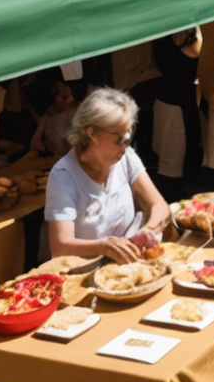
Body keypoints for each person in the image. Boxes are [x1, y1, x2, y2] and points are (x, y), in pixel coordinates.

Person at [44, 88, 171, 262]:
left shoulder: (126, 157)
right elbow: (60, 247)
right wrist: (104, 247)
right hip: (84, 272)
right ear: (92, 133)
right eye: (119, 140)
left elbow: (159, 205)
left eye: (128, 138)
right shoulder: (64, 176)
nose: (124, 147)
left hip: (130, 263)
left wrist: (148, 230)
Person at [148, 25, 203, 191]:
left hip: (169, 103)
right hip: (174, 106)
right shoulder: (191, 38)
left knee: (169, 165)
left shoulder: (161, 35)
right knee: (170, 167)